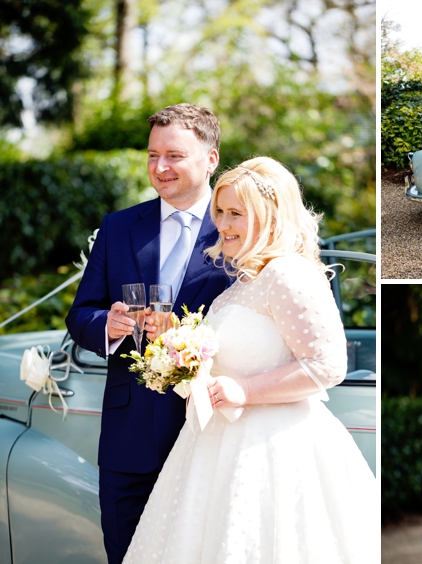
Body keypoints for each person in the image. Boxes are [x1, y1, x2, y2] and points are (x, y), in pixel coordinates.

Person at [121, 156, 376, 563]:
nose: (222, 224)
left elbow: (328, 365)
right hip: (213, 449)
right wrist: (179, 354)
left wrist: (244, 390)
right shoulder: (242, 282)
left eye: (235, 213)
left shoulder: (289, 274)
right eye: (220, 211)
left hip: (275, 451)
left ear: (270, 217)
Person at [66, 103, 232, 564]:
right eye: (152, 154)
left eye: (174, 155)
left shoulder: (239, 228)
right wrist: (109, 326)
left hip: (209, 435)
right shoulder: (119, 227)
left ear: (211, 158)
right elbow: (80, 314)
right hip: (129, 437)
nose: (160, 167)